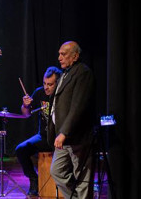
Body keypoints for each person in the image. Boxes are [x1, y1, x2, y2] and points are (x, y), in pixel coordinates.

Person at [48, 41, 95, 199]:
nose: (59, 57)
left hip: (76, 136)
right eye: (59, 53)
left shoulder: (83, 73)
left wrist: (64, 132)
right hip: (63, 137)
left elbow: (78, 106)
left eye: (64, 54)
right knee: (57, 171)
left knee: (82, 177)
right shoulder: (65, 73)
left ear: (75, 56)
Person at [15, 66, 62, 196]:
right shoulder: (40, 92)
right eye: (44, 83)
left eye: (50, 84)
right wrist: (26, 105)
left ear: (58, 83)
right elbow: (26, 114)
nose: (46, 87)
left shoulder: (63, 94)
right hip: (44, 136)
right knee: (21, 149)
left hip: (60, 137)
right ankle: (33, 179)